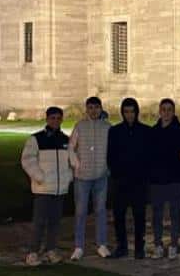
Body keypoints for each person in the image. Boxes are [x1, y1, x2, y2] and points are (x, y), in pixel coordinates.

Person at [21, 106, 74, 266]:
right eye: (53, 118)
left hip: (59, 188)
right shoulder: (36, 139)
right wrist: (39, 177)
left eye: (58, 118)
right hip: (43, 188)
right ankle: (33, 252)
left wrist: (68, 178)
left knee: (55, 222)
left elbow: (73, 162)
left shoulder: (66, 140)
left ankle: (51, 249)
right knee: (39, 222)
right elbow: (28, 160)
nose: (55, 121)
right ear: (47, 119)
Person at [68, 96, 112, 260]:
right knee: (80, 211)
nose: (93, 111)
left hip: (101, 175)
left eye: (96, 107)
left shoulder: (107, 127)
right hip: (83, 177)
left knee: (100, 210)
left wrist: (108, 166)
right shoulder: (80, 126)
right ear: (86, 109)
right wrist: (76, 165)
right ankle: (79, 246)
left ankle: (101, 244)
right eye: (90, 108)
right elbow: (71, 147)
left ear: (100, 108)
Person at [108, 97, 151, 259]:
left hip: (139, 181)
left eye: (132, 111)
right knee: (119, 215)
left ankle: (139, 247)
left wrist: (144, 173)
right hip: (121, 180)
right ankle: (122, 246)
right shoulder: (115, 131)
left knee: (139, 215)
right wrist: (117, 173)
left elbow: (149, 156)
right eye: (126, 111)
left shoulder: (145, 131)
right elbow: (111, 155)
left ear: (136, 112)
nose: (129, 115)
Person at [149, 98, 180, 259]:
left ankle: (174, 244)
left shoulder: (179, 131)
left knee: (175, 213)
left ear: (173, 111)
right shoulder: (154, 131)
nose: (166, 112)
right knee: (156, 214)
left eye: (169, 109)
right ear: (160, 111)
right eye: (163, 109)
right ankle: (157, 244)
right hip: (157, 180)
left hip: (175, 179)